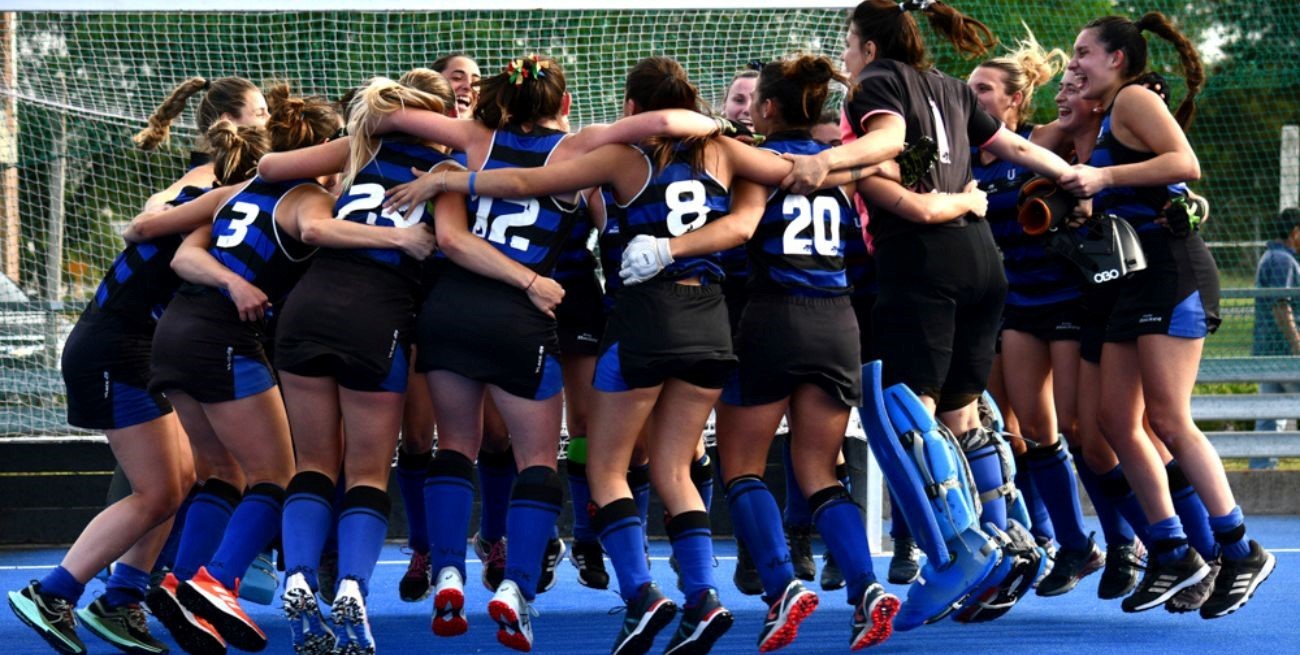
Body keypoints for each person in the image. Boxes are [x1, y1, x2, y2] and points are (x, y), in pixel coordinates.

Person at [782, 0, 1074, 631]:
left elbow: (890, 141)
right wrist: (1071, 176)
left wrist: (824, 161)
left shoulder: (875, 85)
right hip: (981, 259)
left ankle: (959, 552)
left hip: (922, 263)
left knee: (906, 413)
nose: (846, 54)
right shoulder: (949, 86)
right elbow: (1011, 145)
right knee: (962, 413)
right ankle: (1006, 539)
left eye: (848, 42)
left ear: (867, 46)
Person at [4, 119, 265, 655]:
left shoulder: (210, 197)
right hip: (112, 349)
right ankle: (51, 592)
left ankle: (121, 598)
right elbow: (144, 230)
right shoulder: (221, 199)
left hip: (140, 348)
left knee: (183, 480)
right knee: (157, 491)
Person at [1060, 12, 1275, 617]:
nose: (1073, 63)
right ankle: (1175, 551)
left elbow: (1185, 163)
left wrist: (1104, 174)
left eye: (1083, 52)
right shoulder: (1106, 118)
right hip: (1135, 277)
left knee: (1169, 419)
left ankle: (1241, 550)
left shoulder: (1133, 98)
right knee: (1113, 421)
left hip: (1173, 270)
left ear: (1117, 59)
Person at [137, 84, 341, 654]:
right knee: (279, 475)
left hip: (173, 333)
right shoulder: (307, 197)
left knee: (221, 473)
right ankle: (218, 581)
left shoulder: (242, 188)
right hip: (221, 338)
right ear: (323, 150)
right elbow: (318, 233)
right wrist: (402, 235)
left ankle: (180, 582)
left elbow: (183, 252)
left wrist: (228, 278)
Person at [256, 72, 451, 654]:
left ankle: (296, 574)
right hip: (377, 312)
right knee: (367, 472)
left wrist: (361, 134)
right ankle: (351, 587)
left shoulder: (361, 146)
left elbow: (268, 167)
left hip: (307, 306)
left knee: (314, 463)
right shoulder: (449, 167)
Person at [968, 33, 1109, 598]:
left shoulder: (1038, 140)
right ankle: (1053, 540)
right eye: (968, 88)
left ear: (1015, 100)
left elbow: (1095, 133)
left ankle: (1120, 541)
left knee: (1074, 429)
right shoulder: (959, 156)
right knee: (1015, 432)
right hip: (1001, 306)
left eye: (984, 89)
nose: (972, 96)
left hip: (1059, 297)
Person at [1252, 207, 1300, 440]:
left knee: (1269, 419)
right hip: (1285, 352)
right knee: (1270, 417)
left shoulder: (1272, 256)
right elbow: (1281, 306)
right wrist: (1296, 344)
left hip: (1269, 351)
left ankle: (1262, 461)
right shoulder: (1283, 260)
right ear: (1295, 232)